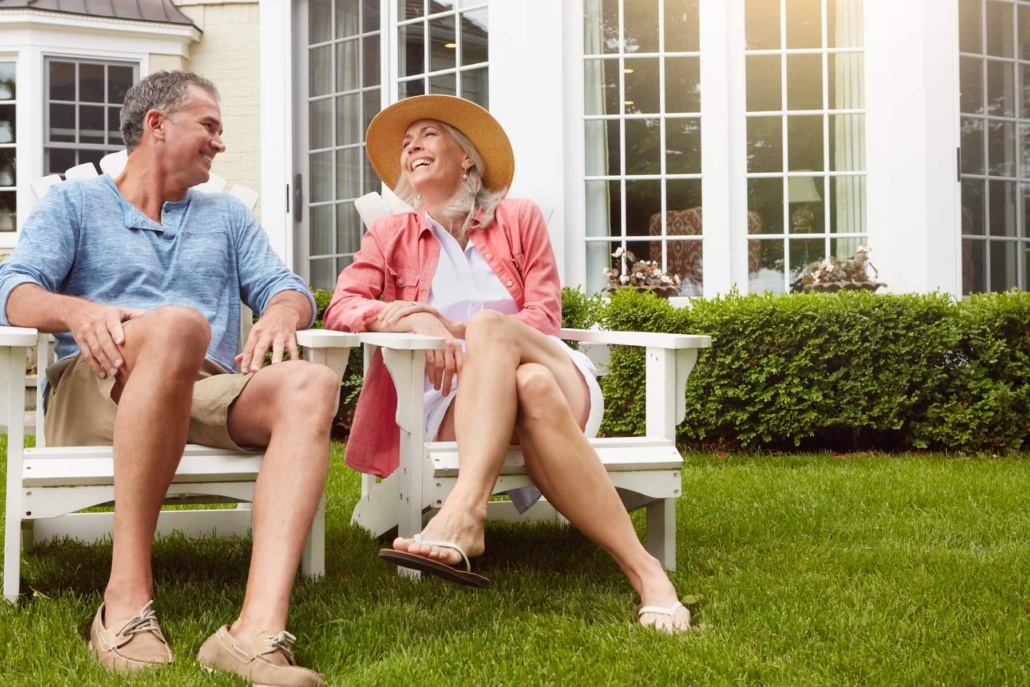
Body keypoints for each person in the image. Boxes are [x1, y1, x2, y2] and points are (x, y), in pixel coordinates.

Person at [0, 71, 336, 686]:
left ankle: (253, 635)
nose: (219, 142)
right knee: (179, 325)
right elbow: (13, 291)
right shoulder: (75, 204)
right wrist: (79, 310)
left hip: (198, 386)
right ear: (157, 124)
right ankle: (123, 600)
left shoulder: (227, 217)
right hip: (95, 384)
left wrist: (281, 315)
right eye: (209, 126)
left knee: (308, 384)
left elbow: (283, 287)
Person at [323, 94, 692, 634]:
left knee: (504, 336)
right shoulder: (389, 236)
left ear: (467, 157)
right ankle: (649, 575)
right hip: (457, 402)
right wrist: (406, 318)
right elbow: (342, 306)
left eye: (427, 134)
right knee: (531, 386)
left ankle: (465, 511)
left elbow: (542, 317)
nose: (411, 147)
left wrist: (450, 327)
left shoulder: (518, 219)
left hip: (559, 374)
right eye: (405, 143)